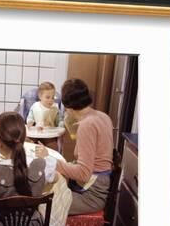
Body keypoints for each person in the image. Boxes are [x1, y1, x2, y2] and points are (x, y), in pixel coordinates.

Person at [35, 78, 114, 215]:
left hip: (91, 195)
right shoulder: (103, 116)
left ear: (67, 107)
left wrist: (51, 160)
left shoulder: (87, 125)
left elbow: (83, 174)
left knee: (40, 202)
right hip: (99, 185)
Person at [26, 81, 64, 150]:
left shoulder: (55, 108)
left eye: (53, 97)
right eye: (47, 97)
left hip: (49, 134)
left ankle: (50, 159)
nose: (50, 100)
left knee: (53, 146)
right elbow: (30, 116)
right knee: (28, 143)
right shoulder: (35, 106)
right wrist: (30, 122)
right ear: (40, 96)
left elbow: (59, 120)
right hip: (37, 133)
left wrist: (61, 125)